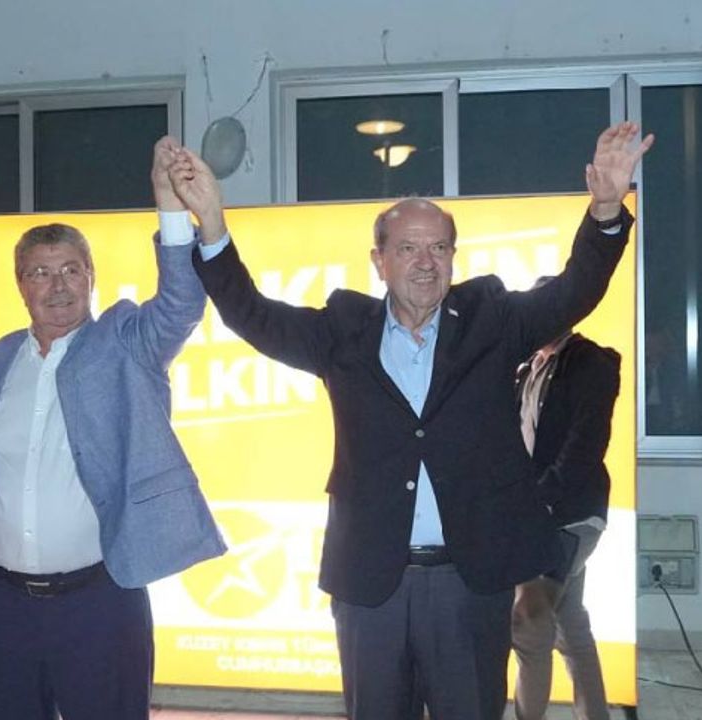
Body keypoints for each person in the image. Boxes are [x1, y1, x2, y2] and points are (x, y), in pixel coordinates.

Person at [175, 122, 652, 720]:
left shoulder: (492, 320)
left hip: (469, 581)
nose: (425, 263)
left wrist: (605, 210)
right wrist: (212, 225)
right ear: (379, 261)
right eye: (407, 249)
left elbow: (575, 290)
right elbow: (252, 314)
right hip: (371, 583)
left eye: (439, 249)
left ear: (453, 257)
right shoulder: (343, 331)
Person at [0, 136, 226, 720]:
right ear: (21, 285)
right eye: (40, 273)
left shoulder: (125, 346)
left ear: (91, 277)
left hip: (100, 600)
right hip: (5, 604)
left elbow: (180, 304)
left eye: (70, 270)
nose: (57, 285)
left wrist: (169, 203)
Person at [511, 297, 621, 720]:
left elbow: (585, 444)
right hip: (536, 511)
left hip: (568, 512)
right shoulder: (526, 366)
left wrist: (541, 498)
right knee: (569, 623)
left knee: (529, 621)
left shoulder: (590, 362)